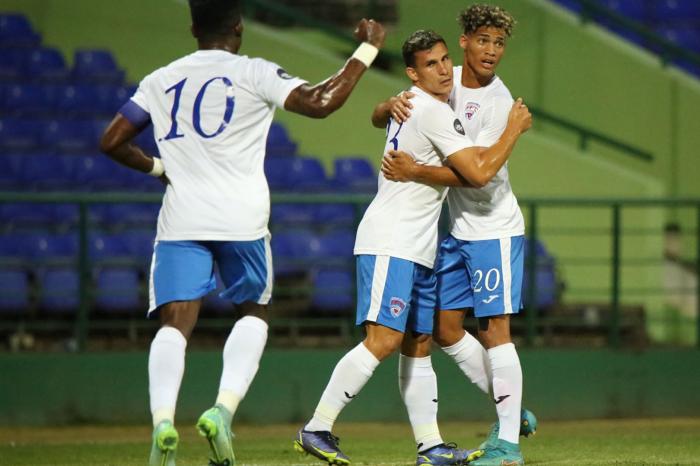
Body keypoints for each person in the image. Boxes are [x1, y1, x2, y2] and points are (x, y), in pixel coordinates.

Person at [99, 1, 385, 465]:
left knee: (176, 326)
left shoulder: (160, 78)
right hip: (242, 221)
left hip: (182, 219)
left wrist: (158, 167)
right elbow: (320, 101)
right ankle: (222, 411)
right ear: (239, 27)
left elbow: (111, 140)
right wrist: (368, 49)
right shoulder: (255, 72)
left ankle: (163, 424)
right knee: (254, 312)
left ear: (193, 27)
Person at [294, 29, 531, 466]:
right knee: (383, 339)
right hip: (393, 238)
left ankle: (431, 447)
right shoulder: (433, 111)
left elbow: (378, 115)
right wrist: (513, 130)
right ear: (413, 74)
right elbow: (477, 174)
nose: (442, 70)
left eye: (444, 61)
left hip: (420, 244)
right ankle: (317, 426)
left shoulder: (415, 101)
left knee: (419, 341)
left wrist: (386, 106)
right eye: (430, 65)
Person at [376, 4, 536, 466]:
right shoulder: (443, 83)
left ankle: (507, 446)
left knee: (495, 332)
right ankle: (511, 408)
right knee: (446, 330)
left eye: (499, 43)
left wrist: (414, 171)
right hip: (455, 231)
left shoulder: (499, 103)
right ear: (463, 41)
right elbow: (381, 116)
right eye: (483, 40)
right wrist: (387, 105)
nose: (491, 51)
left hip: (493, 229)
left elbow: (477, 175)